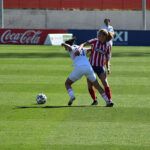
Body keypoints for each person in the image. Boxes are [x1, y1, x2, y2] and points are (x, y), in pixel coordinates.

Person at [62, 38, 113, 107]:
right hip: (88, 67)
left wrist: (63, 44)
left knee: (67, 83)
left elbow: (69, 47)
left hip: (79, 68)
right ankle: (107, 101)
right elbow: (90, 49)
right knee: (97, 85)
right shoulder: (81, 48)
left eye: (65, 47)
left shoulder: (72, 48)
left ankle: (72, 96)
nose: (65, 48)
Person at [77, 29, 114, 107]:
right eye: (98, 35)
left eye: (99, 35)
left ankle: (110, 100)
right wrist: (79, 49)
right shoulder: (94, 41)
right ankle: (95, 100)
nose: (98, 36)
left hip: (100, 67)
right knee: (90, 85)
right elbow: (84, 44)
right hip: (90, 67)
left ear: (104, 36)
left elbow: (107, 58)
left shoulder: (108, 45)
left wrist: (108, 68)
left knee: (105, 83)